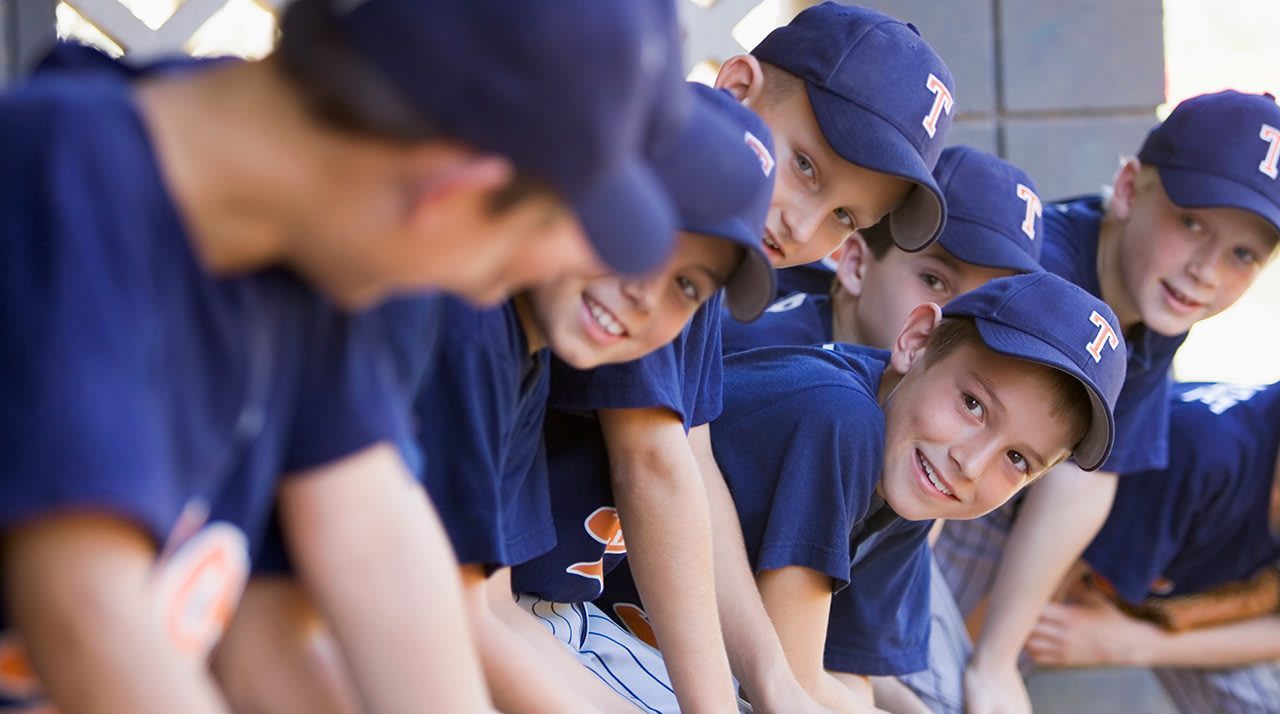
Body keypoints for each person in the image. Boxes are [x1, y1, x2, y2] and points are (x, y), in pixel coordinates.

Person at [0, 0, 687, 710]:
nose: (495, 287)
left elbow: (371, 540)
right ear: (450, 192)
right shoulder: (63, 177)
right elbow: (86, 615)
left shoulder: (309, 245)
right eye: (517, 252)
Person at [606, 272, 1126, 712]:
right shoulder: (843, 418)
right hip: (572, 610)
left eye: (1017, 459)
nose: (970, 463)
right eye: (973, 404)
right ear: (916, 340)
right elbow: (791, 683)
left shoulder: (919, 476)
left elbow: (846, 666)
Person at [916, 89, 1280, 714]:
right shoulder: (1041, 269)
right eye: (1192, 222)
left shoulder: (1157, 303)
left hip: (971, 488)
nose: (1207, 271)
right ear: (1131, 188)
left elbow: (1090, 480)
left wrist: (997, 661)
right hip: (879, 477)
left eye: (1243, 253)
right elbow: (924, 437)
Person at [1025, 381, 1280, 713]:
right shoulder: (1206, 452)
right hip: (1053, 544)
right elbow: (1044, 573)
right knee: (976, 667)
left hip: (1177, 601)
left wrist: (1133, 644)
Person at [722, 144, 1046, 354]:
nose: (962, 319)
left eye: (990, 301)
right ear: (856, 264)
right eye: (934, 281)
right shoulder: (757, 358)